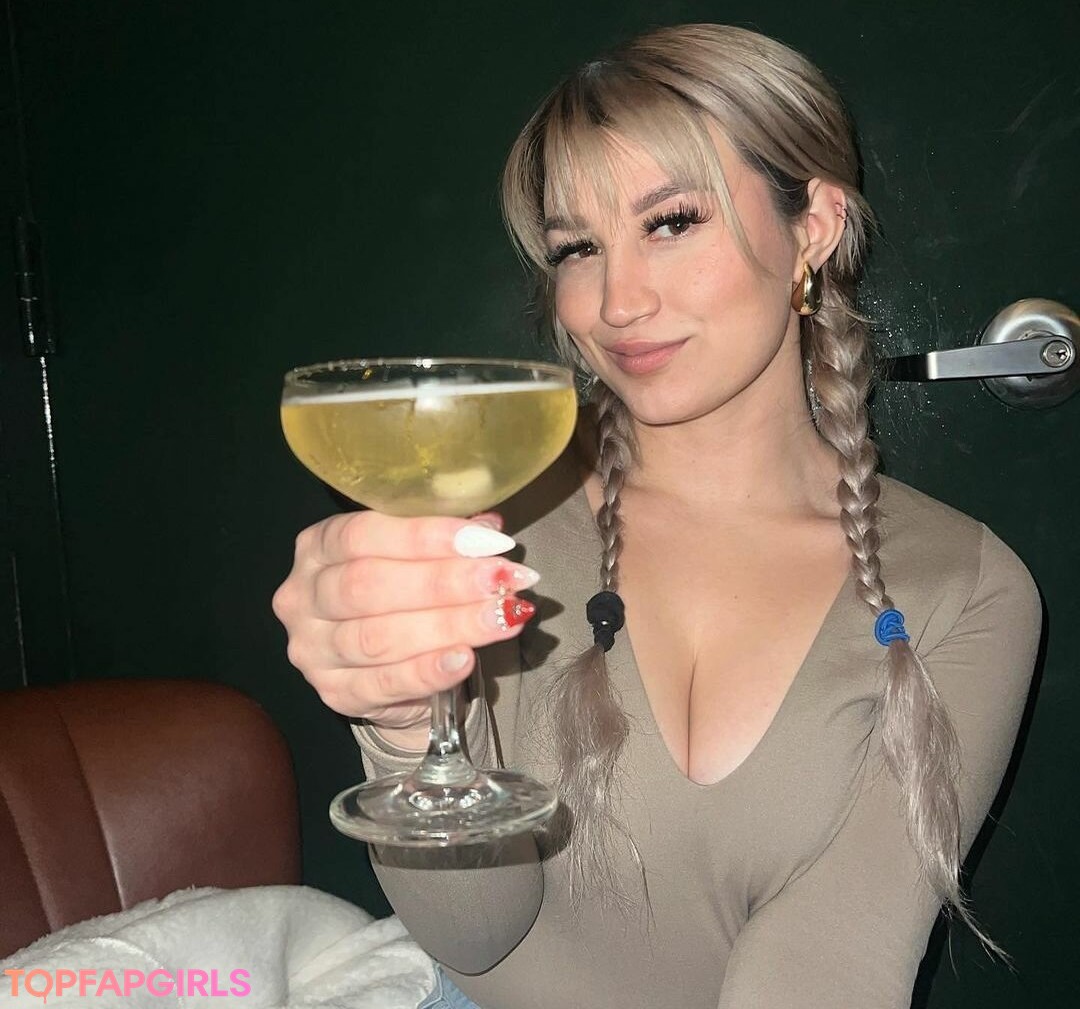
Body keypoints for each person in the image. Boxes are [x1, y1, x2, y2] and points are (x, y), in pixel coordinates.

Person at [272, 23, 1041, 1009]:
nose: (617, 300)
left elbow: (830, 966)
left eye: (671, 222)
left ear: (814, 226)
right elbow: (476, 937)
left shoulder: (965, 589)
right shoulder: (490, 521)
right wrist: (399, 722)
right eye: (577, 247)